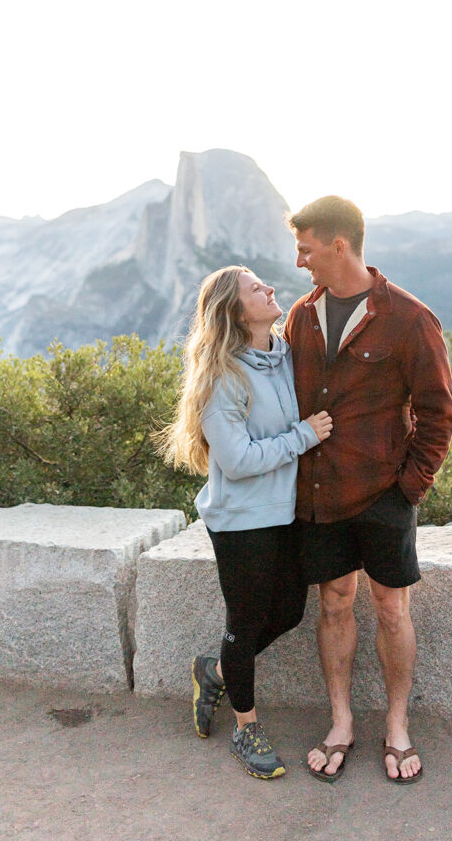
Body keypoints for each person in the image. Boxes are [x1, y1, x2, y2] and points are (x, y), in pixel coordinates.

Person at [284, 196, 452, 784]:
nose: (299, 260)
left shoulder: (410, 318)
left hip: (385, 495)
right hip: (322, 494)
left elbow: (438, 416)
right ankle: (340, 722)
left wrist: (407, 490)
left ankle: (398, 725)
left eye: (306, 248)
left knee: (390, 605)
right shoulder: (302, 317)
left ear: (339, 245)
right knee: (333, 601)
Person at [158, 264, 332, 779]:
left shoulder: (283, 357)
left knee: (291, 612)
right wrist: (304, 436)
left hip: (286, 513)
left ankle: (214, 670)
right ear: (235, 310)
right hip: (241, 521)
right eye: (256, 288)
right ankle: (245, 727)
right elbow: (234, 460)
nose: (269, 288)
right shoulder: (222, 375)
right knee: (246, 621)